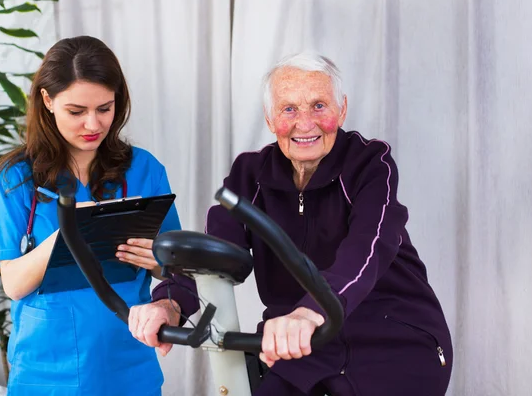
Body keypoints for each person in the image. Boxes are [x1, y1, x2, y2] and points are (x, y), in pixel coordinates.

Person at [128, 52, 453, 396]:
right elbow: (213, 257)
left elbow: (365, 251)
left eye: (318, 106)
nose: (305, 123)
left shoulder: (370, 164)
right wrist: (170, 303)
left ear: (341, 109)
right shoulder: (249, 175)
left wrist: (311, 311)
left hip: (390, 334)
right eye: (289, 109)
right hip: (303, 345)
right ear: (269, 119)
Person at [0, 36, 180, 396]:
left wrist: (157, 261)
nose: (93, 124)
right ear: (47, 100)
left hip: (128, 365)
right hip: (44, 373)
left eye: (104, 109)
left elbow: (178, 268)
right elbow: (13, 285)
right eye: (76, 111)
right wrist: (71, 232)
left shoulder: (144, 170)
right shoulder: (16, 180)